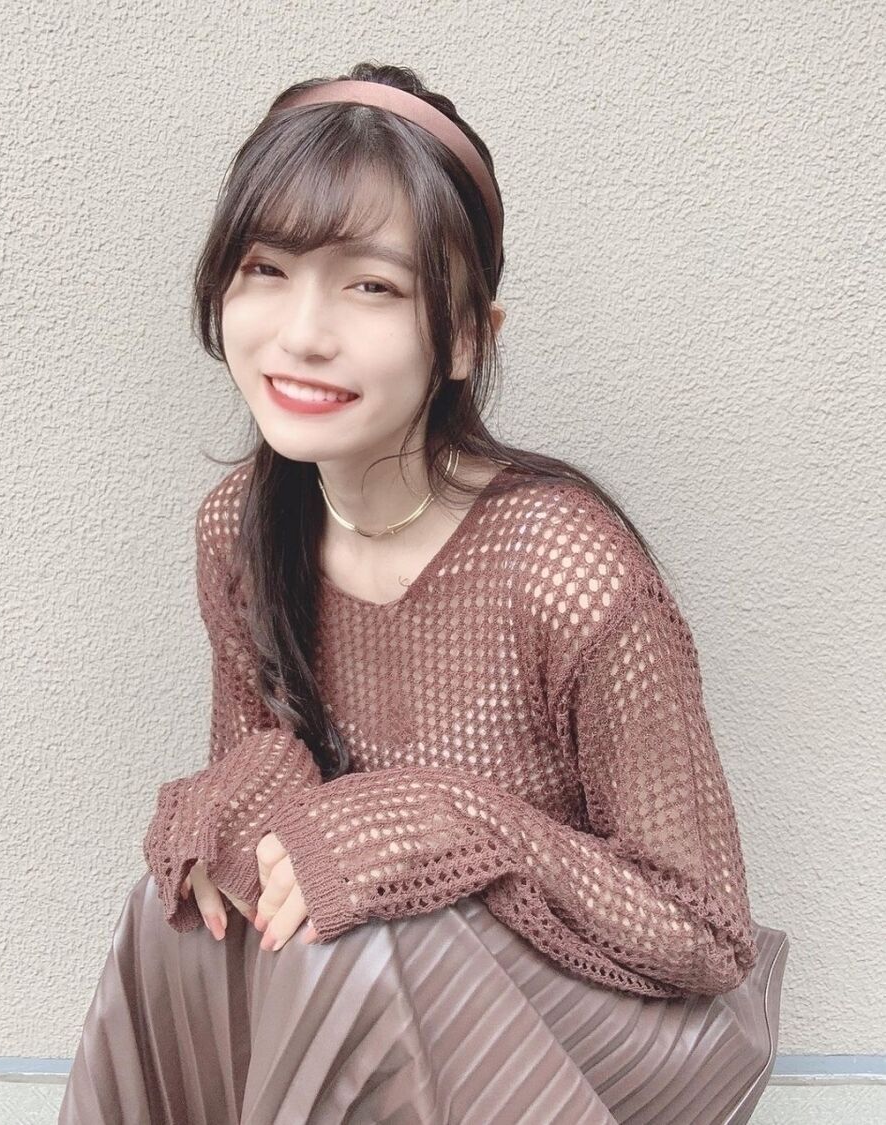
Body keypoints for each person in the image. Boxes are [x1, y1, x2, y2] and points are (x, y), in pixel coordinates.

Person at [59, 61, 788, 1125]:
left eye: (372, 286)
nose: (303, 332)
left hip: (624, 1024)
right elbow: (280, 809)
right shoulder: (241, 529)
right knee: (182, 916)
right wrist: (241, 799)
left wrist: (464, 826)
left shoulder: (569, 572)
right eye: (266, 269)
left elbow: (706, 935)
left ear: (467, 336)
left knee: (355, 952)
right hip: (381, 998)